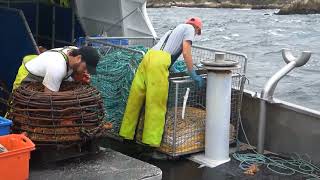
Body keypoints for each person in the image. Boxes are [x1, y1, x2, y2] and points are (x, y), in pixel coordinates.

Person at [119, 17, 204, 147]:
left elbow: (167, 48)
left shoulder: (174, 29)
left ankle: (126, 137)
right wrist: (193, 74)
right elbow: (186, 52)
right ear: (197, 28)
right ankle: (149, 145)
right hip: (159, 62)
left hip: (148, 57)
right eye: (198, 32)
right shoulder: (190, 29)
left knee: (135, 100)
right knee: (156, 104)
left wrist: (171, 66)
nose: (196, 34)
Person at [12, 46, 100, 92]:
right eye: (85, 68)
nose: (86, 72)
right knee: (16, 109)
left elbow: (71, 73)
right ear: (78, 58)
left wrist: (80, 78)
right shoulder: (57, 67)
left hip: (46, 71)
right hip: (28, 76)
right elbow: (49, 98)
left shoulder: (75, 51)